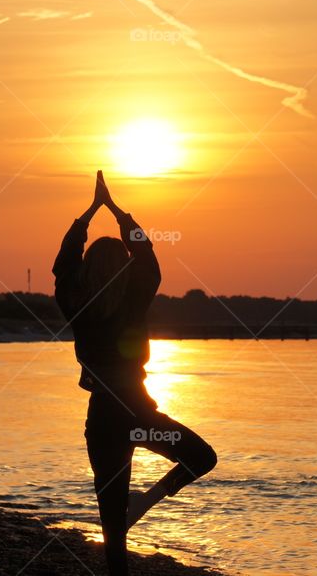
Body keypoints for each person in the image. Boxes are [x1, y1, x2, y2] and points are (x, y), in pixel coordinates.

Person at [52, 171, 218, 575]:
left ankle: (132, 515)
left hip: (104, 420)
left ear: (88, 270)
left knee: (113, 531)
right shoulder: (133, 299)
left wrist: (88, 215)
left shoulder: (75, 303)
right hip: (140, 419)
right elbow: (148, 259)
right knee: (201, 457)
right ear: (124, 271)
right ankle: (144, 501)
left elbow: (63, 265)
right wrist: (118, 213)